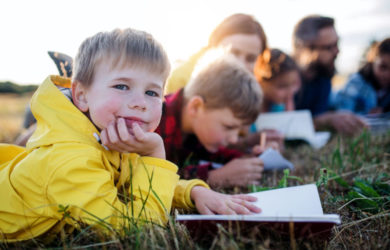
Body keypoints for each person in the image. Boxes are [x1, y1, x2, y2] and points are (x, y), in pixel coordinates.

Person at [0, 28, 261, 242]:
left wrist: (192, 193)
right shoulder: (69, 160)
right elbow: (135, 228)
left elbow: (131, 183)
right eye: (122, 86)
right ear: (81, 95)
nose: (140, 102)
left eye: (152, 92)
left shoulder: (107, 135)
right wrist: (155, 154)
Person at [158, 52, 265, 188]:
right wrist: (215, 177)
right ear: (196, 107)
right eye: (229, 127)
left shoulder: (200, 128)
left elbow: (216, 155)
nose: (234, 139)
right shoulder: (154, 122)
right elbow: (150, 177)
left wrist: (246, 159)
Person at [292, 15, 367, 136]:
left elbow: (318, 115)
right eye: (329, 47)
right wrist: (327, 120)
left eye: (337, 44)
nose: (337, 51)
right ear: (305, 49)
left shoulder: (323, 76)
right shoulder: (284, 78)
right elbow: (282, 124)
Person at [164, 13, 268, 95]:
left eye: (250, 59)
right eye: (233, 53)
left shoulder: (255, 89)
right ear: (214, 44)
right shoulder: (180, 81)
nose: (240, 64)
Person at [333, 38, 390, 114]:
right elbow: (343, 112)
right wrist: (367, 115)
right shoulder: (355, 83)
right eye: (383, 67)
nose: (387, 74)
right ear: (372, 61)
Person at [254, 48, 301, 113]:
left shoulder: (279, 105)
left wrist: (289, 105)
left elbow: (289, 118)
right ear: (261, 83)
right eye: (282, 86)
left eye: (294, 83)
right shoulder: (251, 107)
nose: (290, 91)